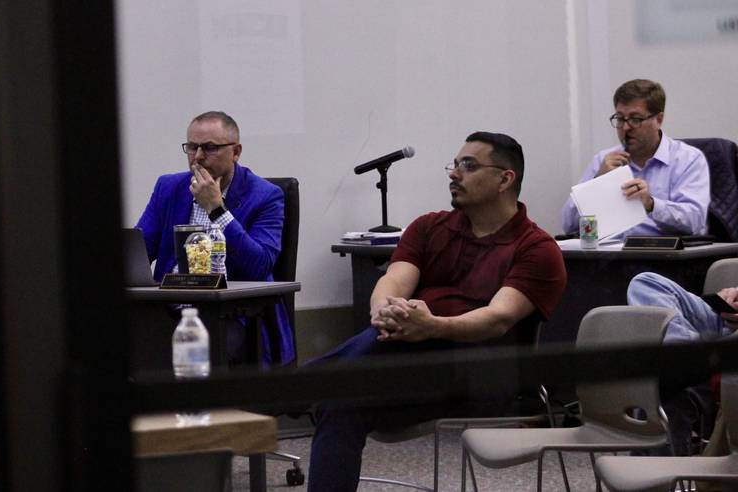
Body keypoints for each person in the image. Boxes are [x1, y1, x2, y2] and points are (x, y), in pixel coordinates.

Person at [306, 132, 567, 491]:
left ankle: (292, 387)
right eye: (455, 164)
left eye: (469, 166)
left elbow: (498, 319)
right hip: (411, 363)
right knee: (342, 404)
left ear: (505, 179)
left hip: (484, 378)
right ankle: (302, 387)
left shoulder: (537, 248)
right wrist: (385, 309)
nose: (454, 173)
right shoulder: (429, 227)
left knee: (383, 348)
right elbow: (394, 281)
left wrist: (432, 326)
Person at [136, 111, 294, 365]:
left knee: (193, 357)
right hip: (169, 307)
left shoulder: (266, 196)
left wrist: (217, 210)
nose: (198, 157)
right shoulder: (168, 188)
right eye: (192, 147)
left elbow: (259, 266)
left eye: (209, 148)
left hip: (230, 315)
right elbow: (139, 253)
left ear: (236, 151)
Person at [561, 79, 710, 239]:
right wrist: (596, 183)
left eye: (635, 119)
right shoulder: (603, 161)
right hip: (606, 257)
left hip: (660, 257)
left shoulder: (688, 159)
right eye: (620, 119)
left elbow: (695, 222)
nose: (625, 127)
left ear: (658, 120)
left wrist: (651, 204)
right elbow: (569, 225)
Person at [627, 272, 738, 456]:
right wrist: (732, 293)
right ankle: (689, 352)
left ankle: (684, 357)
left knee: (664, 386)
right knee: (646, 282)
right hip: (723, 328)